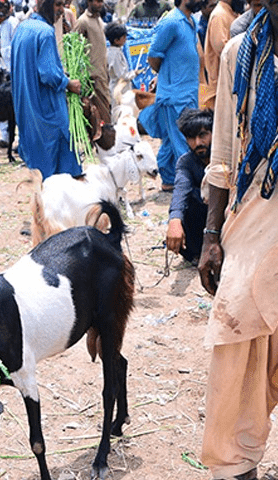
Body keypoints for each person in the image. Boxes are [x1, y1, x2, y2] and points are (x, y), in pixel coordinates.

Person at [197, 4, 278, 478]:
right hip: (252, 210)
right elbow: (224, 151)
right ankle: (235, 463)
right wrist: (210, 235)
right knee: (236, 336)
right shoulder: (238, 53)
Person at [9, 0, 83, 179]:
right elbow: (49, 74)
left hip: (27, 108)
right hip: (48, 108)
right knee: (62, 167)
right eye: (57, 5)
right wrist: (68, 83)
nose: (61, 11)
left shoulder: (22, 27)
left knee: (38, 166)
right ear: (44, 4)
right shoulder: (46, 33)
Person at [139, 0, 204, 191]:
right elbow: (153, 55)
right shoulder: (171, 22)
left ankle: (168, 180)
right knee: (183, 140)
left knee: (170, 139)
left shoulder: (190, 21)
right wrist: (166, 77)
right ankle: (191, 184)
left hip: (188, 92)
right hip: (174, 96)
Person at [165, 108, 212, 264]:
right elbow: (180, 190)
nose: (198, 143)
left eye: (203, 135)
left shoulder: (226, 157)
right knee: (187, 202)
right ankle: (196, 253)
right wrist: (174, 220)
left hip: (225, 218)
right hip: (201, 222)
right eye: (191, 138)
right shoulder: (186, 162)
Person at [74, 0, 111, 125]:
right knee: (99, 117)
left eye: (101, 1)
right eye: (97, 1)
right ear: (89, 1)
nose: (100, 4)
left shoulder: (99, 20)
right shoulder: (82, 22)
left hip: (102, 74)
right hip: (92, 78)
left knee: (106, 111)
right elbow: (75, 49)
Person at [202, 0, 242, 109]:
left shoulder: (231, 13)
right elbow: (222, 49)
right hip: (221, 86)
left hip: (231, 84)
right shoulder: (219, 15)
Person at [0, 0, 18, 151]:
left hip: (13, 70)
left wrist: (1, 52)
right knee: (0, 104)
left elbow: (16, 48)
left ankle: (21, 141)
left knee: (16, 106)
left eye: (0, 8)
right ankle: (4, 137)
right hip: (3, 69)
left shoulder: (13, 23)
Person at [105, 22, 135, 106]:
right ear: (116, 40)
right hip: (119, 90)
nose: (125, 39)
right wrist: (133, 74)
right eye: (123, 37)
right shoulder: (115, 55)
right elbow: (122, 75)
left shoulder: (113, 51)